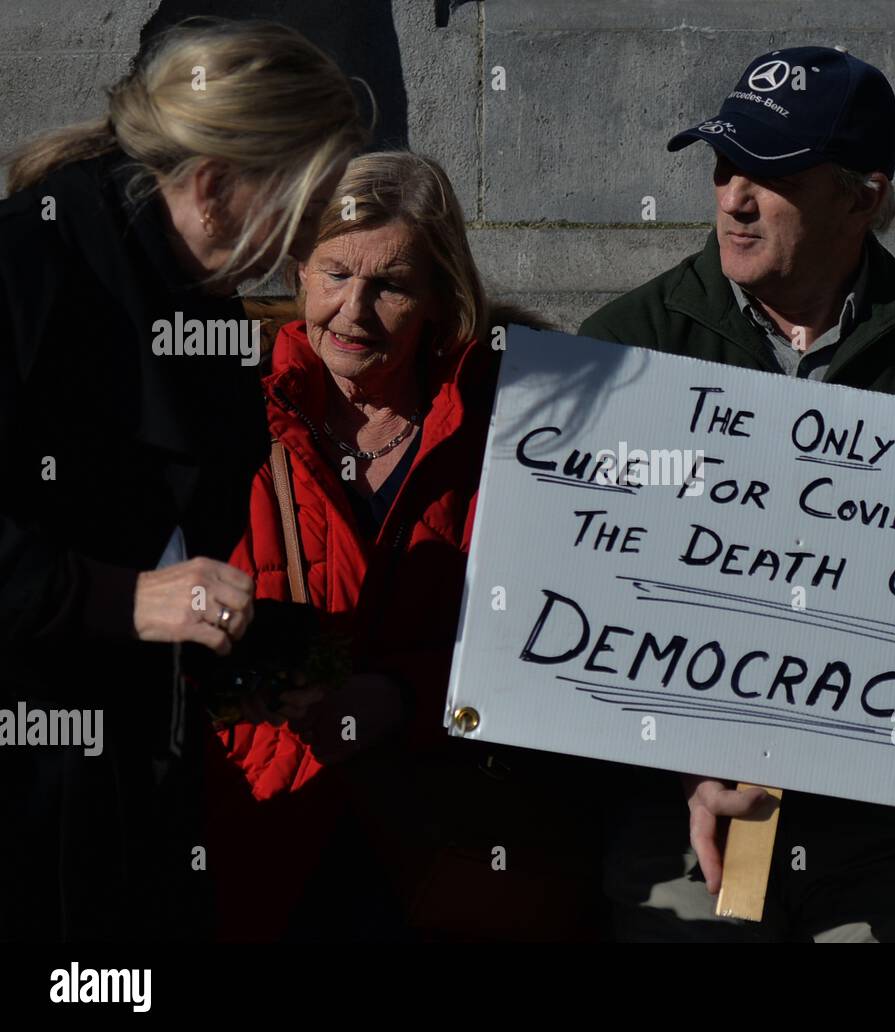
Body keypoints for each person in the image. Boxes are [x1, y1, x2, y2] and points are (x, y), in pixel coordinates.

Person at [578, 46, 895, 942]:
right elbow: (581, 616)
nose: (734, 197)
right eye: (724, 165)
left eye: (772, 172)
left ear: (862, 196)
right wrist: (692, 765)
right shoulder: (625, 348)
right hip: (688, 814)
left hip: (891, 822)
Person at [0, 17, 367, 941]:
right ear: (213, 189)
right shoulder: (31, 265)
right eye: (300, 210)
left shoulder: (180, 290)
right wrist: (122, 598)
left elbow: (150, 535)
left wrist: (250, 646)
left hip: (122, 785)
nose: (302, 250)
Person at [204, 151, 609, 942]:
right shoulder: (224, 405)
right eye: (333, 275)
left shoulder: (517, 420)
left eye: (390, 285)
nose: (353, 311)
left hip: (448, 832)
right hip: (262, 822)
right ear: (299, 273)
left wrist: (407, 699)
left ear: (440, 298)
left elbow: (566, 629)